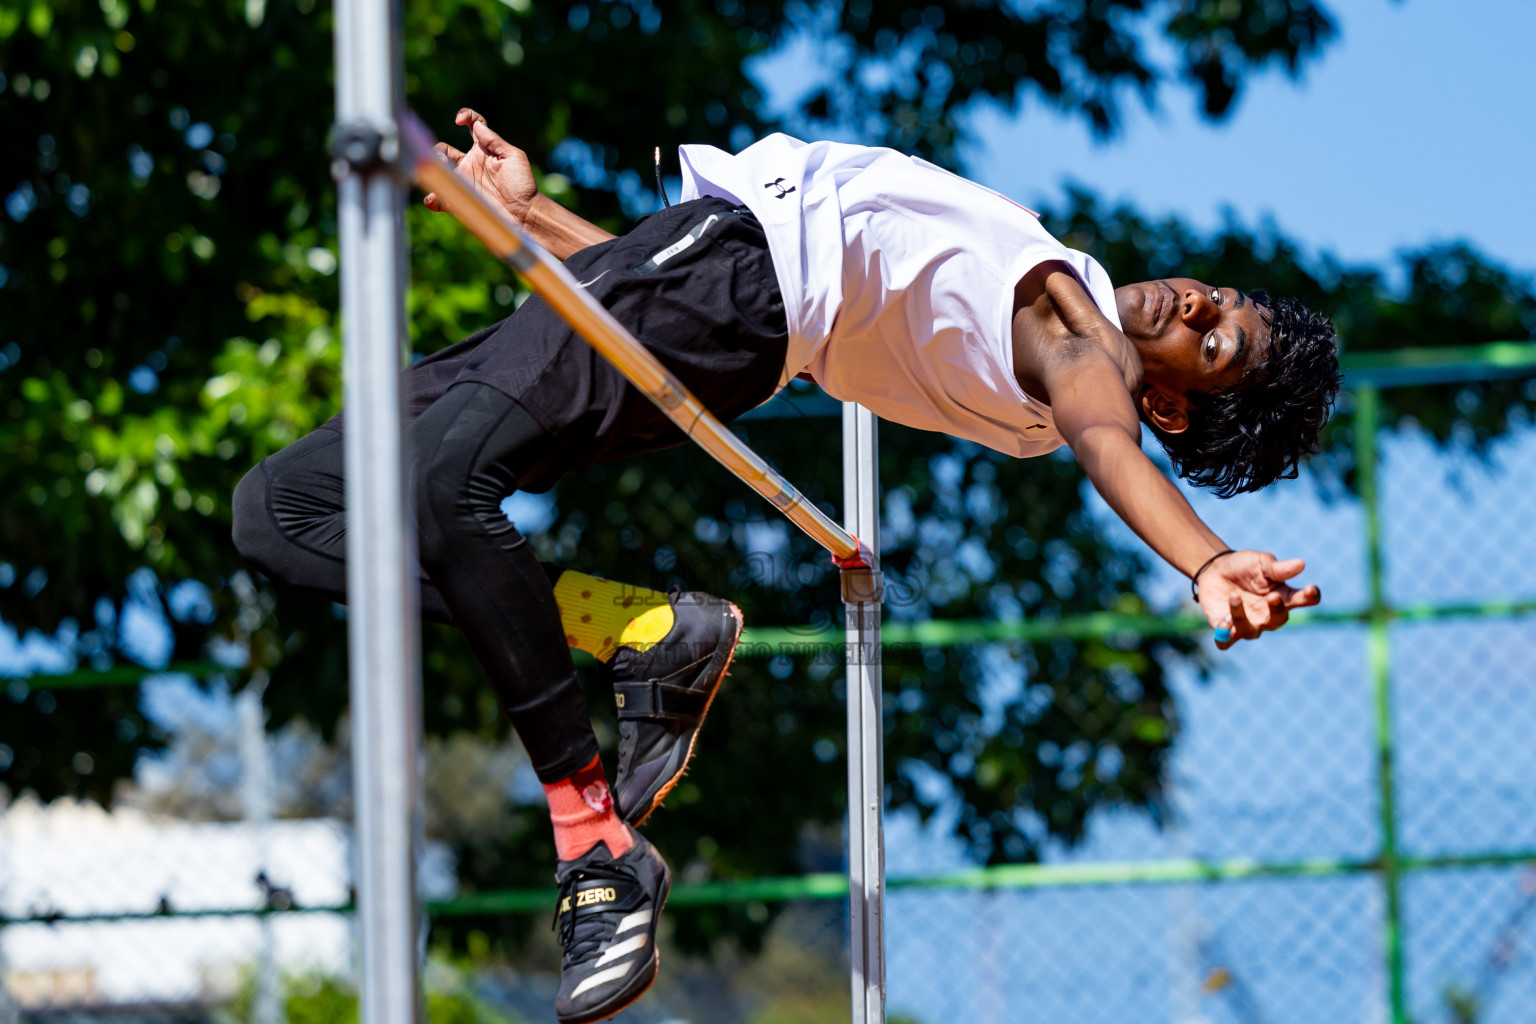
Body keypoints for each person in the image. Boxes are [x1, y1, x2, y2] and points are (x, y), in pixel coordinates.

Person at [231, 109, 1338, 1024]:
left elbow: (1105, 438)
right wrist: (527, 218)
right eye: (1221, 298)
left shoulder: (1071, 331)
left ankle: (596, 843)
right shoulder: (1024, 388)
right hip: (719, 297)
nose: (1196, 303)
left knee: (437, 488)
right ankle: (644, 634)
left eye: (1213, 341)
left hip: (728, 283)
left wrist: (1205, 558)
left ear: (1173, 404)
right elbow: (672, 314)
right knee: (287, 513)